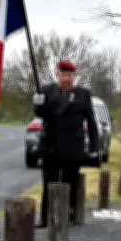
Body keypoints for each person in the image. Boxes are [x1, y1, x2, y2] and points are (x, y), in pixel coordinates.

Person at [33, 59, 99, 228]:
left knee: (70, 183)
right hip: (51, 146)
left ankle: (68, 215)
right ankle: (45, 218)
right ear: (58, 75)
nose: (66, 78)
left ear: (74, 76)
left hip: (73, 147)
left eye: (69, 75)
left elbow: (91, 121)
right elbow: (42, 114)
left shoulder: (83, 94)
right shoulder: (47, 91)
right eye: (63, 74)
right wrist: (38, 104)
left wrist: (94, 146)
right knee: (49, 183)